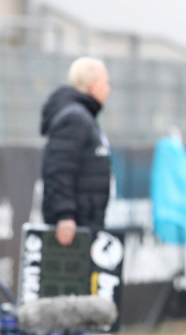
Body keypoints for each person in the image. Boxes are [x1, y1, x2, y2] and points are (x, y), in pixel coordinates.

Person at [40, 57, 111, 246]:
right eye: (105, 83)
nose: (108, 89)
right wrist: (64, 215)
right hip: (73, 230)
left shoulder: (84, 117)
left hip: (85, 224)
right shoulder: (75, 118)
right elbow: (58, 169)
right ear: (91, 85)